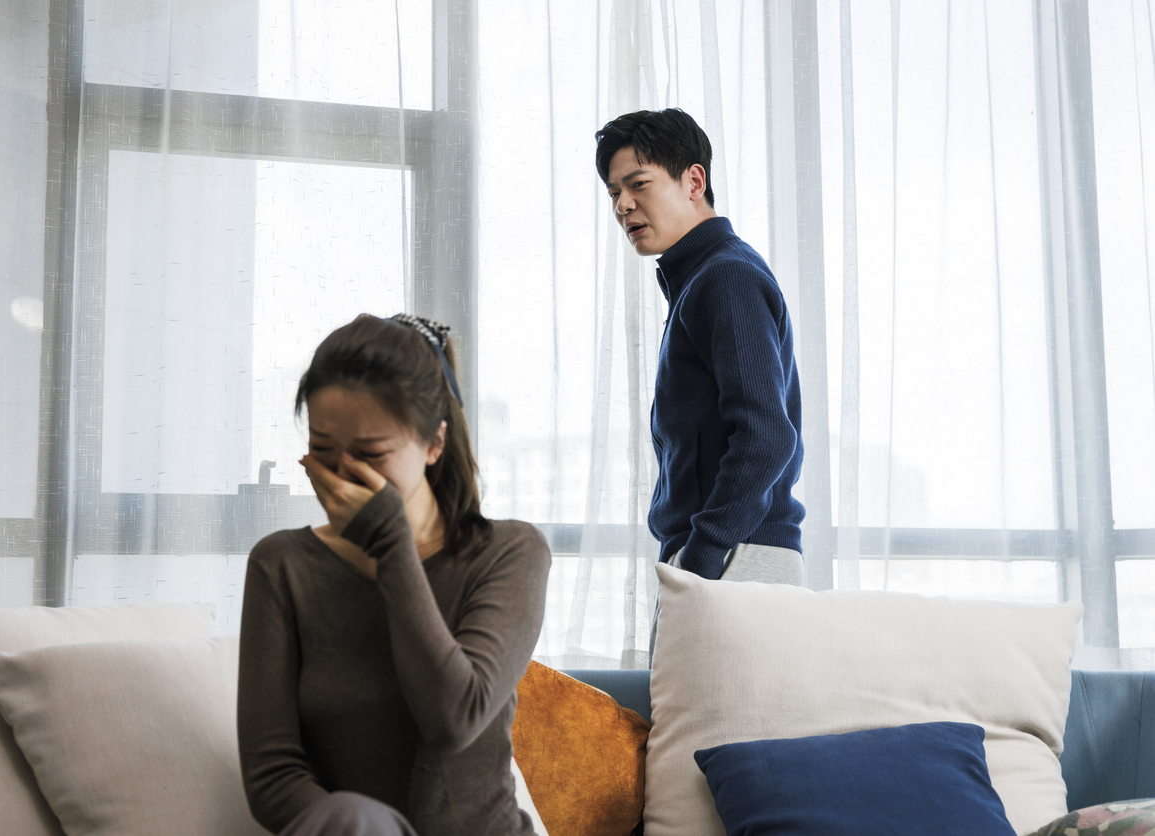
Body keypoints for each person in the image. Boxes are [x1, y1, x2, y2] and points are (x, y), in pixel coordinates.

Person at [237, 313, 550, 836]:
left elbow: (455, 718)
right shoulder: (281, 565)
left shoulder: (509, 552)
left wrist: (391, 547)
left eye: (369, 455)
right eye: (321, 451)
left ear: (434, 444)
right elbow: (272, 775)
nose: (340, 476)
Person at [595, 108, 805, 584]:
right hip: (725, 555)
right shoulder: (703, 279)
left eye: (638, 184)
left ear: (693, 181)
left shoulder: (724, 276)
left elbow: (767, 436)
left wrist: (703, 555)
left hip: (736, 557)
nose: (622, 205)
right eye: (614, 193)